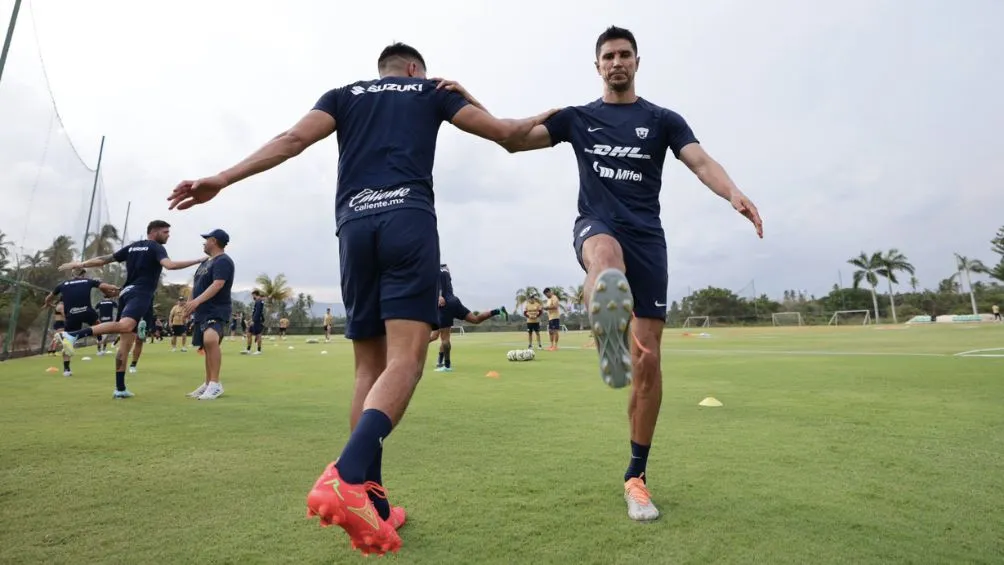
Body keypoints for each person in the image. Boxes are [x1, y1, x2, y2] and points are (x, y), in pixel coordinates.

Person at [167, 42, 557, 555]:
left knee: (366, 371)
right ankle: (346, 475)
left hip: (354, 227)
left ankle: (372, 503)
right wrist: (524, 108)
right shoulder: (431, 91)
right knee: (407, 362)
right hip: (407, 221)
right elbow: (508, 134)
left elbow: (290, 140)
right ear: (416, 68)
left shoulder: (342, 94)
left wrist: (222, 177)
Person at [437, 26, 764, 523]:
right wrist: (467, 99)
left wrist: (733, 192)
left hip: (649, 240)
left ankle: (636, 476)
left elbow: (700, 160)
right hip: (597, 225)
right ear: (597, 66)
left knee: (649, 364)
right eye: (608, 56)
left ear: (636, 62)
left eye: (624, 55)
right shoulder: (578, 118)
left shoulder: (662, 120)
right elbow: (509, 139)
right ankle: (605, 322)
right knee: (605, 257)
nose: (616, 62)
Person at [57, 220, 206, 398]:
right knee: (126, 326)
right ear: (154, 232)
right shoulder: (155, 247)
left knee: (125, 345)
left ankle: (120, 389)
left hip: (126, 293)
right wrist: (199, 260)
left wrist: (81, 264)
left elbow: (104, 259)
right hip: (141, 293)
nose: (168, 235)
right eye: (165, 232)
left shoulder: (132, 247)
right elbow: (170, 265)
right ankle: (74, 335)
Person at [184, 229, 235, 400]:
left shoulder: (223, 261)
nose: (204, 243)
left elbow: (218, 284)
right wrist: (189, 306)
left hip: (216, 309)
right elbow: (196, 284)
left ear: (213, 241)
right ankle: (207, 384)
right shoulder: (205, 262)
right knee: (206, 346)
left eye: (206, 240)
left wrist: (196, 302)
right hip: (201, 311)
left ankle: (215, 384)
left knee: (210, 340)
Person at [430, 263, 508, 372]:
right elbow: (444, 283)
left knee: (445, 338)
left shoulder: (433, 271)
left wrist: (439, 296)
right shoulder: (446, 271)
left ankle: (447, 366)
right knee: (475, 319)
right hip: (455, 301)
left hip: (444, 305)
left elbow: (434, 285)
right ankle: (498, 311)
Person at [43, 268, 119, 376]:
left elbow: (49, 297)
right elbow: (104, 286)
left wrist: (47, 304)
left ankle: (66, 370)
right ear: (83, 274)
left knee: (68, 341)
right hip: (87, 311)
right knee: (98, 324)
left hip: (72, 314)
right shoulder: (88, 281)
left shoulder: (62, 284)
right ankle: (99, 338)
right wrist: (116, 288)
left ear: (72, 274)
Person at [244, 290, 265, 355]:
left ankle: (259, 351)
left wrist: (254, 320)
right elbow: (255, 312)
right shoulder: (257, 301)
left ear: (255, 294)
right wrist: (250, 320)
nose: (252, 297)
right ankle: (248, 350)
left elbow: (258, 312)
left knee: (258, 335)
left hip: (257, 321)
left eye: (252, 295)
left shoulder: (259, 301)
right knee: (249, 334)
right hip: (255, 320)